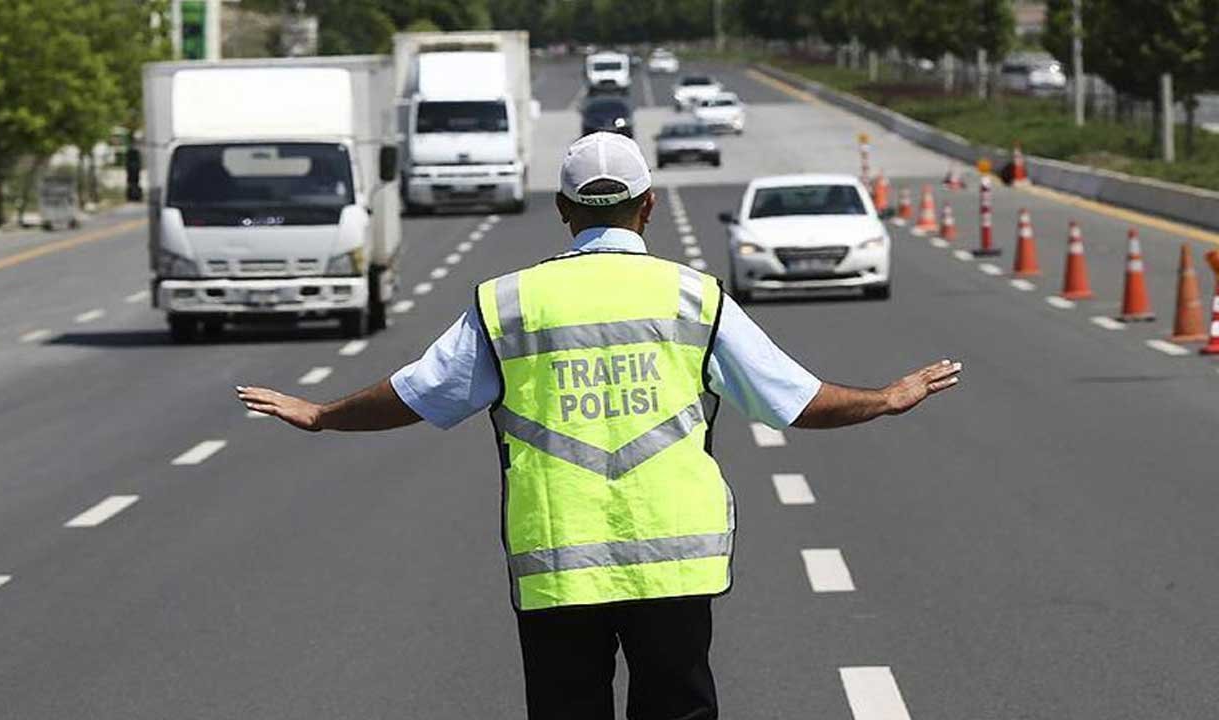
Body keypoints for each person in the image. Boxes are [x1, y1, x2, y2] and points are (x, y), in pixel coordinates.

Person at [237, 132, 961, 719]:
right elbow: (794, 401)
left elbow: (420, 394)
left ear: (562, 208)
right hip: (674, 560)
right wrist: (887, 397)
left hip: (559, 559)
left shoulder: (510, 302)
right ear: (647, 207)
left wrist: (322, 415)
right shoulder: (692, 297)